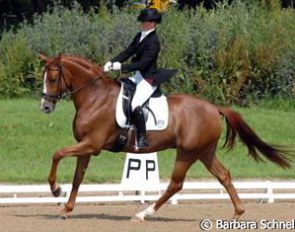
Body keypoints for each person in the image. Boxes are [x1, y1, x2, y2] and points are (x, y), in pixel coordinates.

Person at [104, 8, 163, 149]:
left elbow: (143, 63)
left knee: (135, 103)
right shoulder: (140, 36)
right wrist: (112, 62)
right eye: (141, 21)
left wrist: (121, 67)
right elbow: (128, 52)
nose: (141, 23)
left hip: (148, 79)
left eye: (143, 21)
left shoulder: (154, 41)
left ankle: (142, 138)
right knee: (119, 91)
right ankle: (123, 127)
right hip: (138, 77)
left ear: (151, 23)